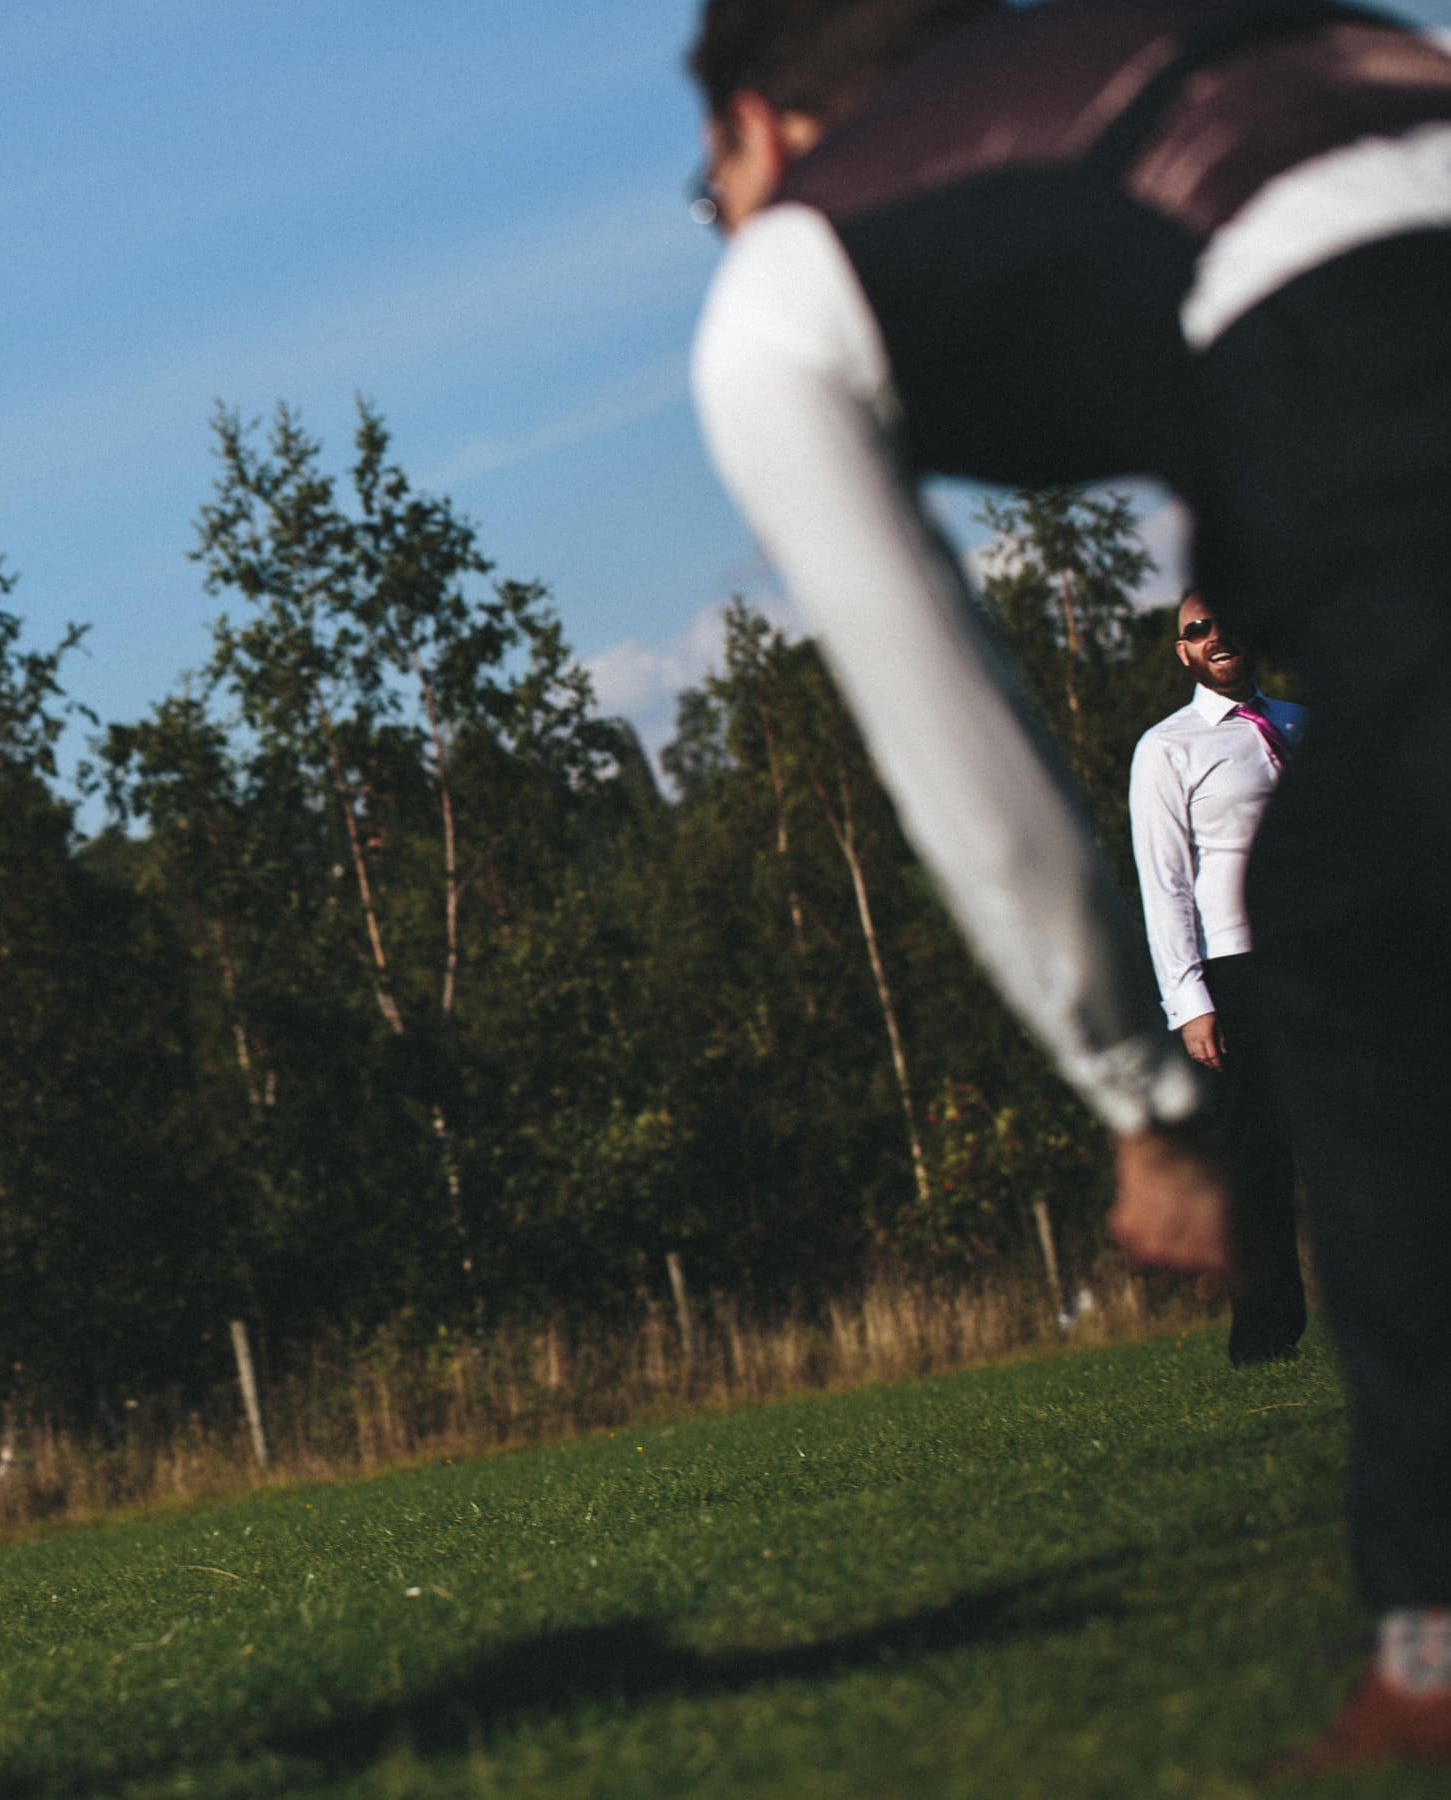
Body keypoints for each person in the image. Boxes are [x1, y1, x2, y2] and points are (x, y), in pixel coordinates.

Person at [682, 0, 1450, 1774]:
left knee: (1352, 945)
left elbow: (956, 730)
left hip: (1369, 357)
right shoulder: (1150, 63)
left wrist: (1139, 1102)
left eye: (705, 177)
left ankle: (1433, 1653)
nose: (717, 222)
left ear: (766, 129)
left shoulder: (788, 278)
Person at [1127, 591, 1310, 1366]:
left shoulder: (1304, 722)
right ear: (1183, 653)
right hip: (1237, 968)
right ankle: (1266, 1336)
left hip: (1328, 957)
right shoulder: (1168, 748)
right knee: (1258, 1157)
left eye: (1225, 622)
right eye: (1195, 631)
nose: (1214, 637)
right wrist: (1190, 1002)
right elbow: (1162, 881)